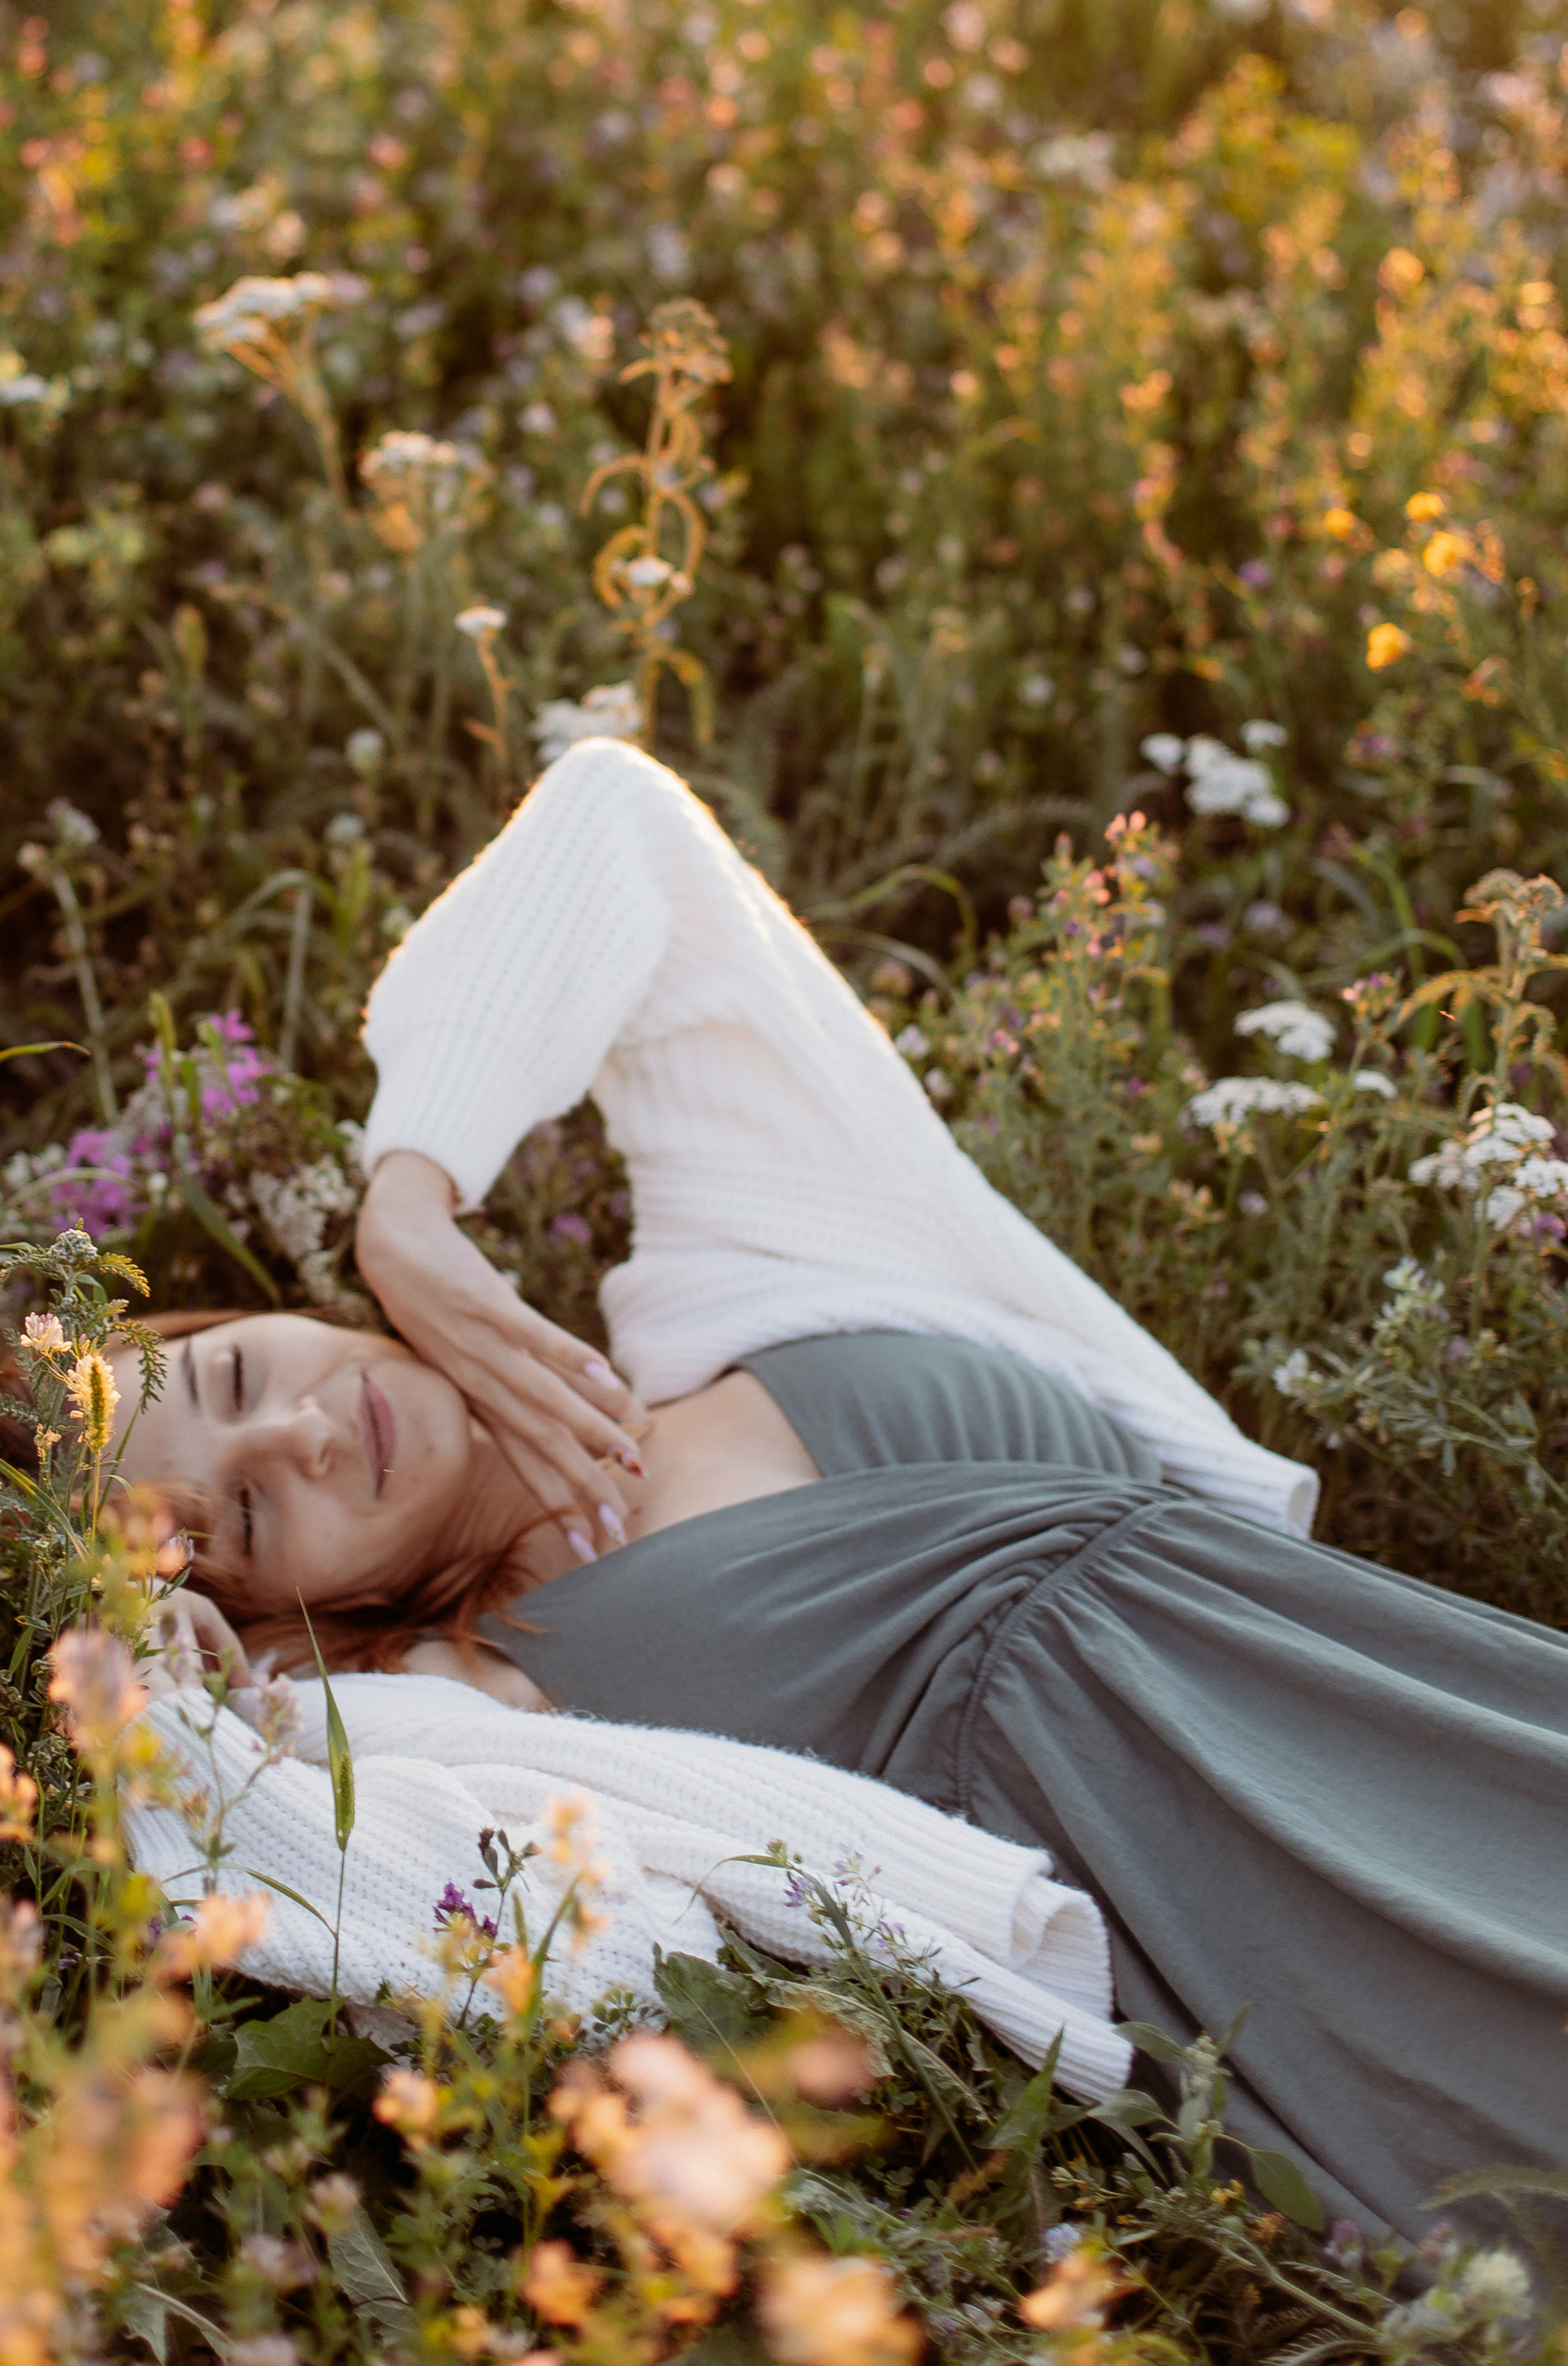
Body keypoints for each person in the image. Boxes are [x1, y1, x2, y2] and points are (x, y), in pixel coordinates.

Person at [105, 733, 1568, 2245]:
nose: (302, 1435)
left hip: (1383, 1700)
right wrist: (172, 1675)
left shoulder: (749, 1260)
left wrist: (404, 1202)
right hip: (1223, 1933)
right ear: (294, 1615)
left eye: (232, 1379)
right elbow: (284, 1824)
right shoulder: (452, 1698)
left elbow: (623, 821)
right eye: (253, 1517)